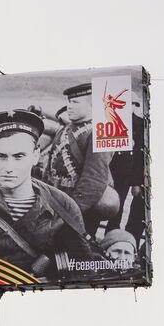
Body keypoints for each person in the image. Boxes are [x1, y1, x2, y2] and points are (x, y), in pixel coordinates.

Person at [0, 109, 103, 281]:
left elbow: (84, 272)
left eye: (19, 156)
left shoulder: (63, 205)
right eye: (1, 156)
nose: (9, 167)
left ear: (35, 156)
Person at [45, 83, 116, 226]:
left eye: (75, 102)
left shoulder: (100, 133)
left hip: (80, 208)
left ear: (92, 105)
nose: (69, 106)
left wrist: (72, 213)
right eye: (69, 102)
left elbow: (94, 180)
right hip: (57, 200)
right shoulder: (66, 129)